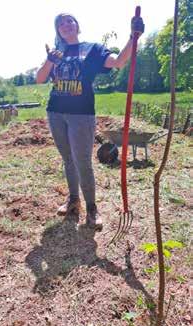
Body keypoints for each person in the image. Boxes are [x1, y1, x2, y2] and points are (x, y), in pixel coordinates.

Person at [36, 13, 144, 229]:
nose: (65, 25)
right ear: (57, 30)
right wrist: (50, 60)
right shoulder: (56, 52)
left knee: (82, 161)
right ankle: (73, 200)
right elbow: (40, 79)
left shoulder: (92, 49)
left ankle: (92, 208)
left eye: (69, 21)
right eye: (60, 23)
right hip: (56, 112)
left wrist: (134, 37)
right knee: (68, 159)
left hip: (81, 114)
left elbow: (118, 62)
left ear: (77, 26)